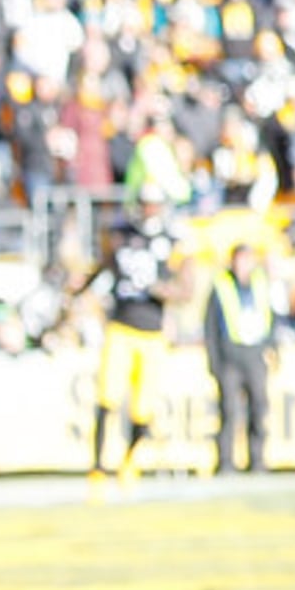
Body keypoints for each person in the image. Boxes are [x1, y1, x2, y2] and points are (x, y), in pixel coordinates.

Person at [79, 204, 183, 482]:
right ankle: (98, 465)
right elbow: (103, 266)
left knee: (143, 406)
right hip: (121, 326)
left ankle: (129, 461)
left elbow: (185, 288)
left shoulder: (169, 241)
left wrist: (165, 291)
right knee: (107, 397)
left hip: (151, 331)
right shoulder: (121, 235)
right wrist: (79, 290)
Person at [203, 242, 277, 475]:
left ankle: (257, 461)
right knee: (228, 410)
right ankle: (225, 462)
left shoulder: (261, 283)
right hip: (230, 355)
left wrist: (272, 348)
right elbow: (211, 326)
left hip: (255, 354)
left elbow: (271, 317)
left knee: (258, 408)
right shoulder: (221, 285)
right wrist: (214, 360)